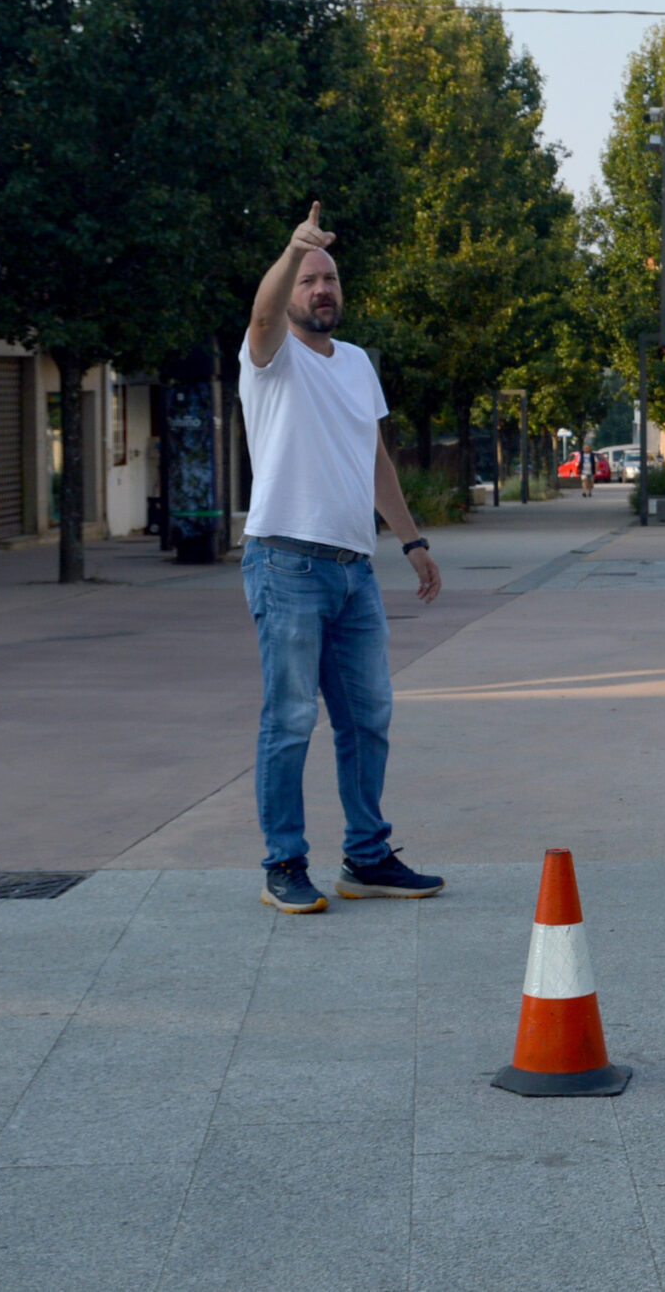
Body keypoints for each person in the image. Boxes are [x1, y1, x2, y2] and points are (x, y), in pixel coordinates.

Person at [239, 202, 447, 914]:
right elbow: (263, 313)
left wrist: (412, 540)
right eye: (308, 279)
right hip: (285, 562)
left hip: (354, 571)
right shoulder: (269, 355)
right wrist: (291, 247)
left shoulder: (356, 363)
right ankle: (284, 863)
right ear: (289, 290)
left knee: (368, 717)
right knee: (290, 717)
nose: (320, 289)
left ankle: (367, 857)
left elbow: (375, 459)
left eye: (328, 279)